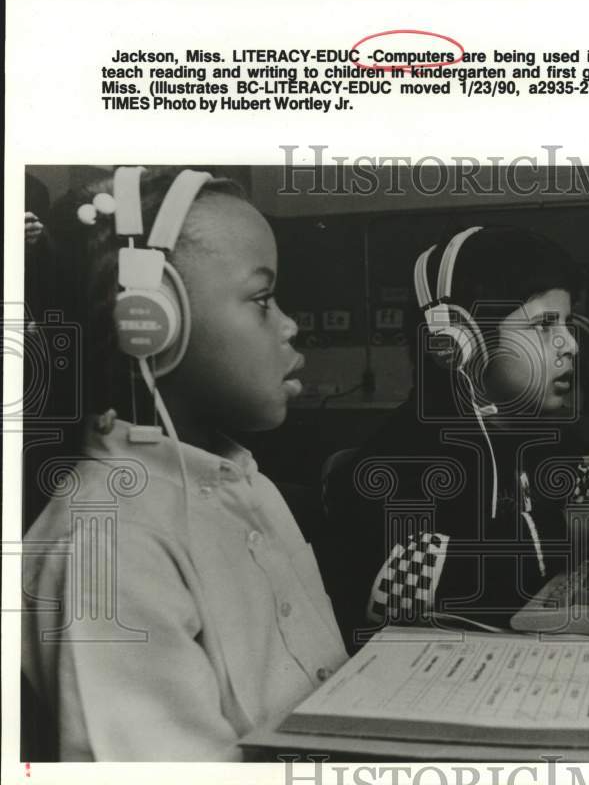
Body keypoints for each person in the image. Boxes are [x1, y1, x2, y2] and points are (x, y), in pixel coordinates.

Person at [21, 167, 348, 761]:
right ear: (153, 322)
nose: (290, 324)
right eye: (262, 299)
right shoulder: (108, 541)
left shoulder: (248, 483)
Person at [318, 226, 589, 653]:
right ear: (459, 343)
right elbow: (395, 586)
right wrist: (557, 532)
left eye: (566, 322)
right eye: (543, 325)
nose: (568, 344)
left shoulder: (516, 434)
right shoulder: (410, 453)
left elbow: (564, 481)